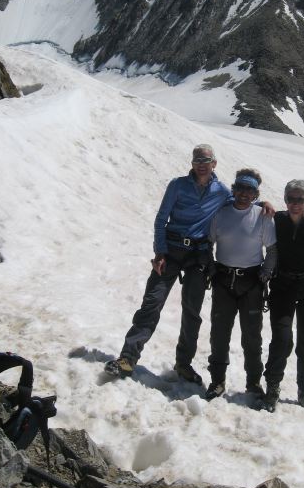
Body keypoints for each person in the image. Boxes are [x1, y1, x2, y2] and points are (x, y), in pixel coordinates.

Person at [105, 145, 274, 383]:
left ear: (214, 163)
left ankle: (183, 364)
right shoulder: (177, 185)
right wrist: (160, 252)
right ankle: (127, 359)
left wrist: (263, 202)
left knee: (192, 312)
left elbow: (242, 202)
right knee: (152, 303)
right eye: (197, 160)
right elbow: (161, 219)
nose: (202, 164)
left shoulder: (222, 191)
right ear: (192, 163)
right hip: (171, 251)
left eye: (206, 160)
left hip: (198, 254)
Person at [205, 169, 277, 402]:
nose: (244, 194)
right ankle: (217, 381)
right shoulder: (221, 214)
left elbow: (272, 250)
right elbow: (208, 243)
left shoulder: (263, 216)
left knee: (252, 336)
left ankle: (254, 382)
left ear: (256, 193)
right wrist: (212, 268)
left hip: (251, 282)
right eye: (241, 188)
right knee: (219, 333)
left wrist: (265, 274)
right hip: (224, 280)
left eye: (250, 190)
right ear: (234, 189)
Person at [262, 180, 304, 412]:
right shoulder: (277, 220)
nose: (295, 203)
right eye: (291, 199)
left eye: (300, 199)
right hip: (282, 286)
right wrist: (263, 202)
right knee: (282, 339)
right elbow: (250, 207)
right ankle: (272, 389)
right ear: (285, 200)